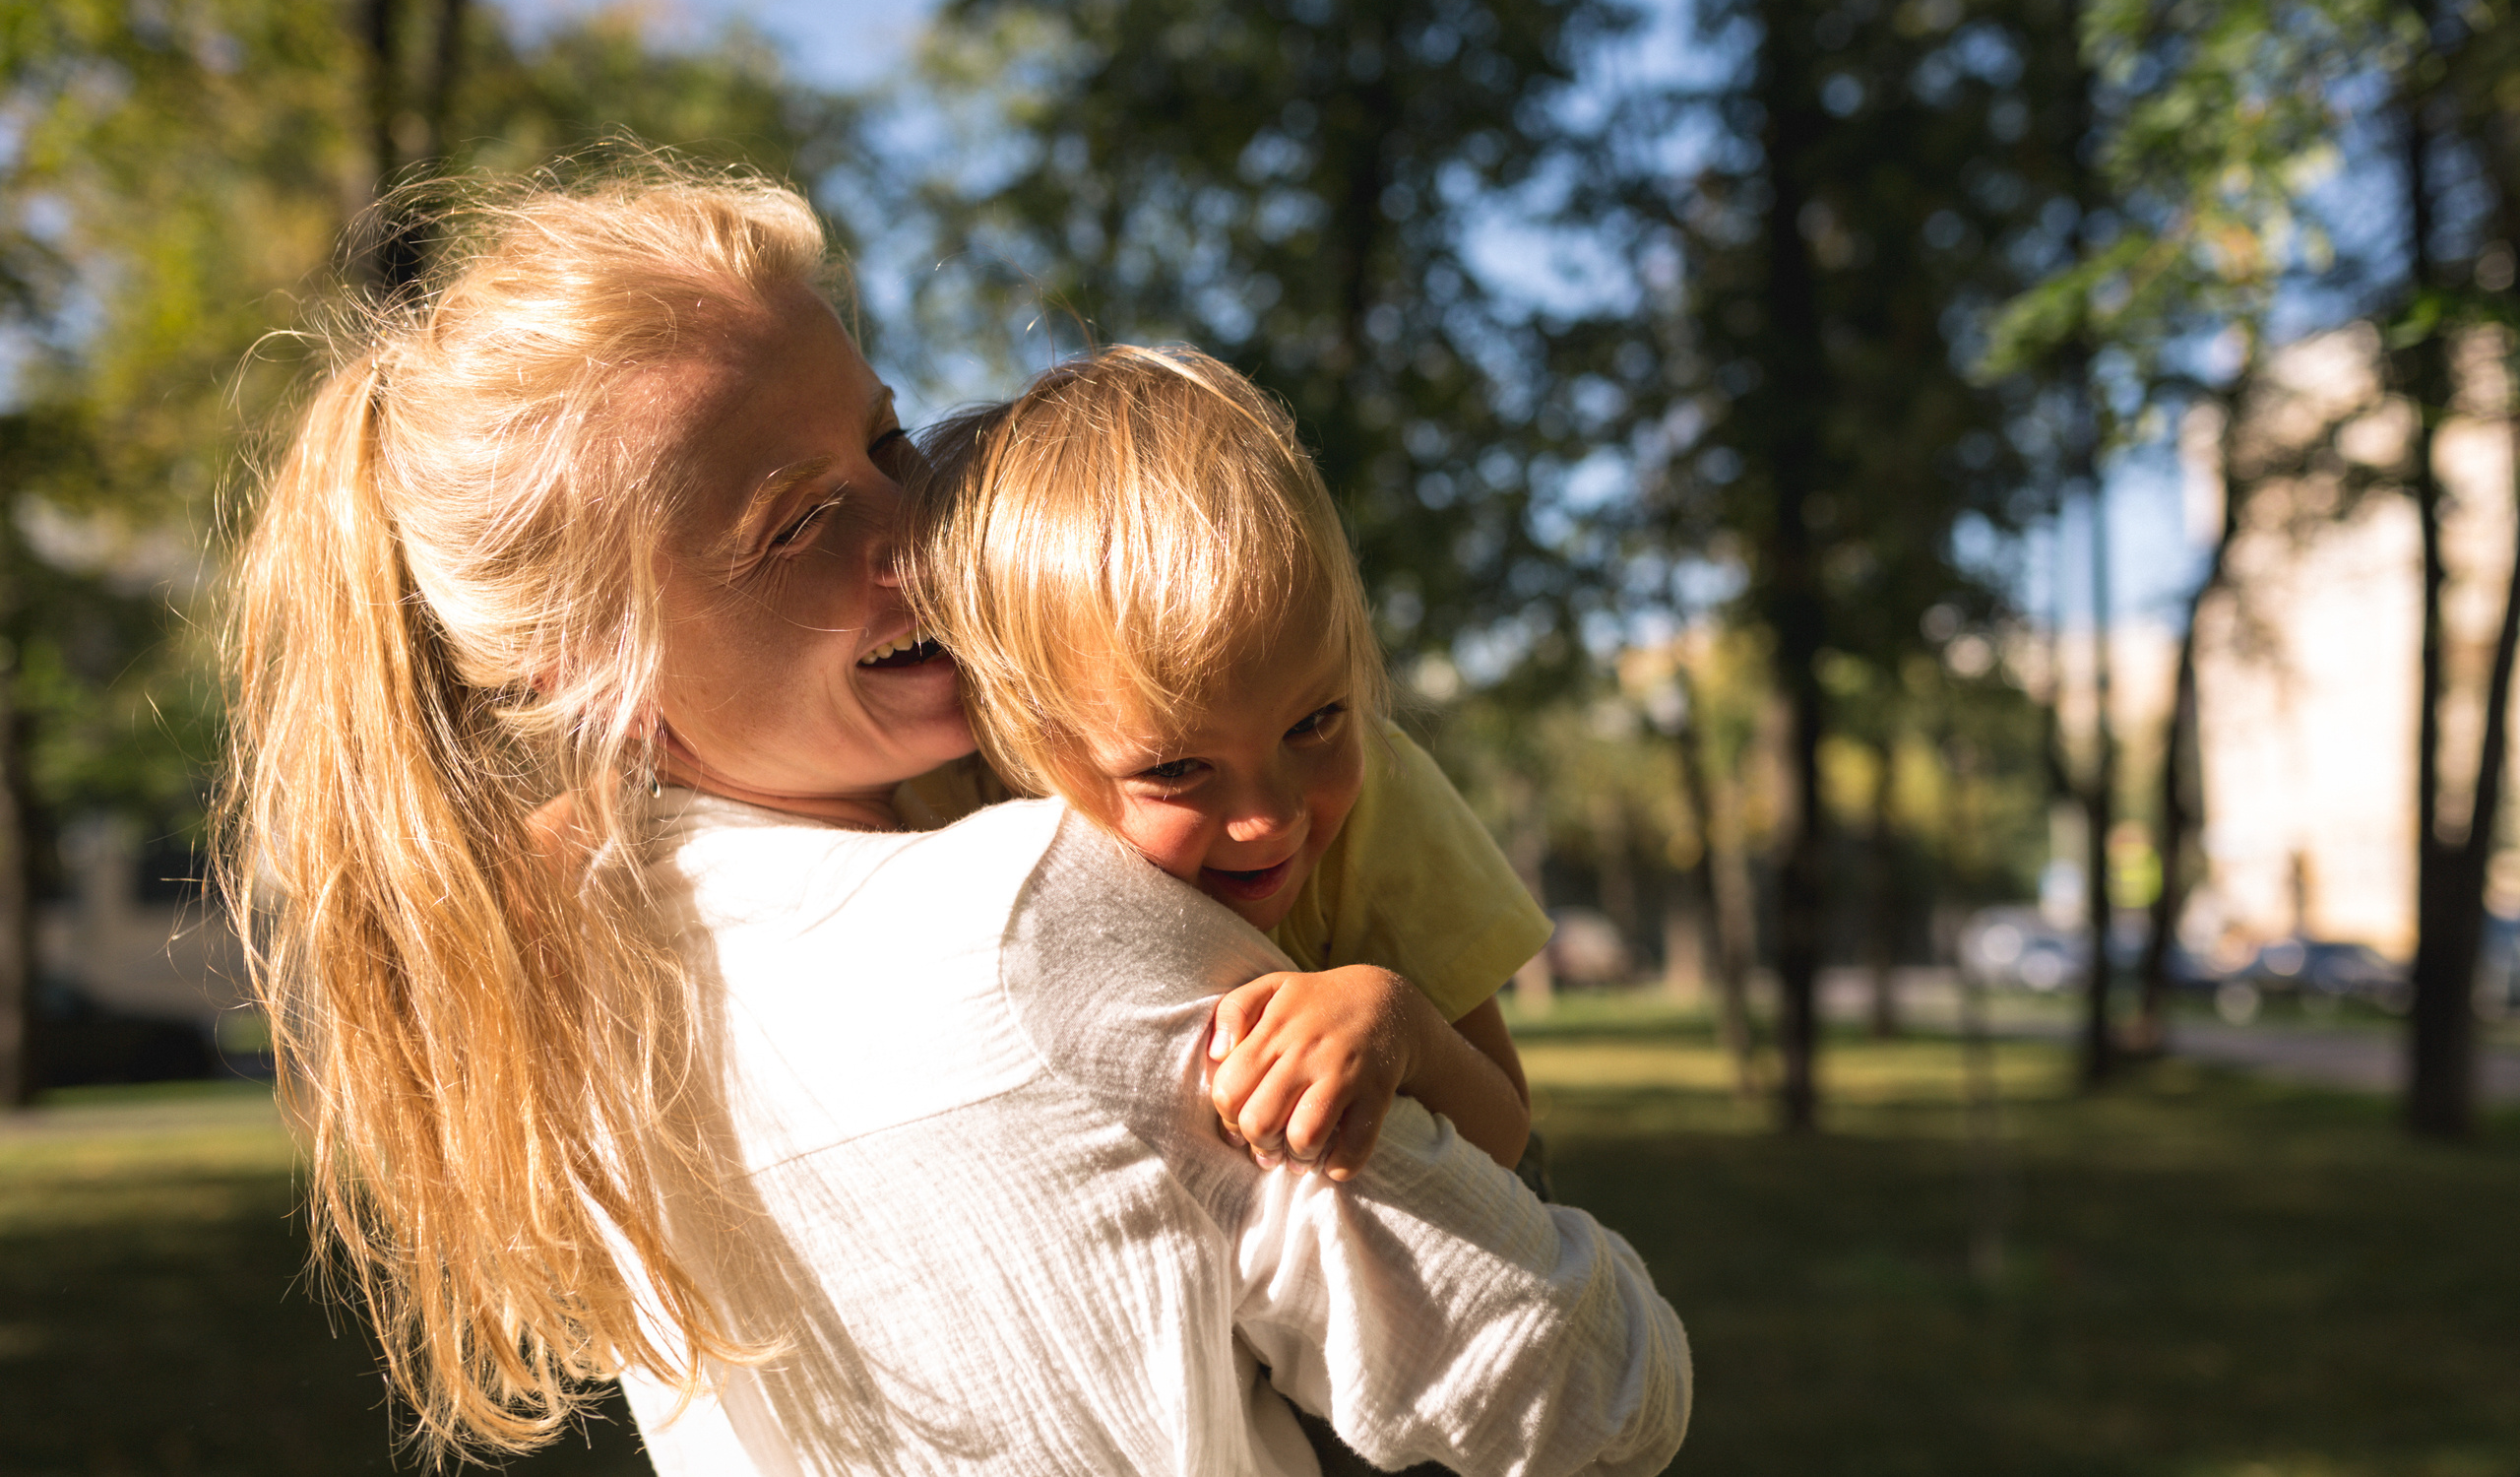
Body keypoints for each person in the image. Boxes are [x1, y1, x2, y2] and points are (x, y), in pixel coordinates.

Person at [220, 159, 1690, 1474]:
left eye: (888, 438)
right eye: (795, 521)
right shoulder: (1026, 914)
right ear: (578, 662)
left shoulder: (558, 1004)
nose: (912, 530)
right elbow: (1578, 1393)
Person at [896, 347, 1551, 1186]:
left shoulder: (1384, 795)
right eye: (1176, 770)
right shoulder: (971, 830)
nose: (1270, 816)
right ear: (1023, 739)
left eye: (1316, 720)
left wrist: (1399, 1022)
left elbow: (1506, 1129)